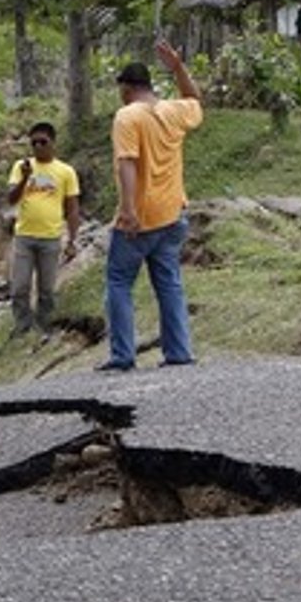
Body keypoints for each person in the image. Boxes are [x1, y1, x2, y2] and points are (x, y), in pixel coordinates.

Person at [99, 41, 203, 371]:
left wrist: (128, 210)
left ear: (126, 88)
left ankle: (122, 355)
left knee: (118, 282)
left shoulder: (127, 116)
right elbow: (195, 100)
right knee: (169, 283)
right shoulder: (174, 111)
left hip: (141, 217)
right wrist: (178, 68)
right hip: (173, 214)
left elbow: (127, 162)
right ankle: (178, 351)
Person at [5, 121, 80, 338]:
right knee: (19, 287)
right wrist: (25, 178)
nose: (38, 147)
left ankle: (44, 325)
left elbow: (72, 208)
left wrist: (72, 240)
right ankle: (22, 326)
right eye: (34, 143)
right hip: (24, 236)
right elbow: (11, 199)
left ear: (53, 143)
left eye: (43, 142)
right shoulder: (21, 167)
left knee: (46, 289)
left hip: (51, 236)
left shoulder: (65, 171)